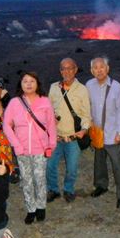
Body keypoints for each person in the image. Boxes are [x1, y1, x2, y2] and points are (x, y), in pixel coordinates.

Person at [3, 72, 57, 224]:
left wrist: (51, 144)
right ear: (20, 84)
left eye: (32, 81)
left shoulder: (45, 101)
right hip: (22, 150)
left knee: (39, 178)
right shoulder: (14, 102)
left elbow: (51, 124)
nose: (28, 84)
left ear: (37, 83)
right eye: (25, 81)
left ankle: (41, 207)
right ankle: (31, 209)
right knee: (26, 180)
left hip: (41, 148)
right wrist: (16, 145)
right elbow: (7, 125)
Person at [86, 56, 120, 209]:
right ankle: (101, 185)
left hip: (112, 133)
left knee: (117, 164)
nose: (99, 70)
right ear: (92, 71)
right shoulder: (89, 85)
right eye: (95, 68)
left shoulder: (116, 87)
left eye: (101, 67)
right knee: (99, 162)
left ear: (107, 69)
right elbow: (87, 107)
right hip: (97, 133)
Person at [47, 58, 91, 203]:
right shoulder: (54, 87)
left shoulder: (82, 90)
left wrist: (84, 129)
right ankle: (53, 189)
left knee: (71, 169)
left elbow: (86, 114)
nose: (66, 71)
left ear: (75, 69)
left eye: (69, 68)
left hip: (73, 138)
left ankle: (68, 189)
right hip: (56, 137)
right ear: (60, 71)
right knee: (50, 166)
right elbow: (47, 109)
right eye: (63, 69)